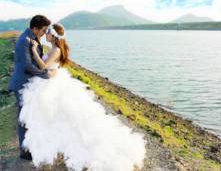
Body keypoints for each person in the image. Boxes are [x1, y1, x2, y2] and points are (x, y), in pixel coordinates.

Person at [17, 22, 147, 171]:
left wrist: (33, 50)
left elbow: (43, 66)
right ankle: (59, 145)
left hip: (51, 84)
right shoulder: (54, 48)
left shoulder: (56, 50)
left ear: (53, 36)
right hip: (50, 81)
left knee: (60, 116)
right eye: (45, 31)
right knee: (57, 118)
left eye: (48, 32)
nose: (45, 34)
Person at [8, 15, 54, 160]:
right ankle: (24, 151)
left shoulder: (32, 38)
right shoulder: (24, 40)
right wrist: (45, 74)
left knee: (30, 116)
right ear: (35, 28)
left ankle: (31, 144)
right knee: (24, 119)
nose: (44, 33)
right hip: (21, 84)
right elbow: (27, 65)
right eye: (44, 30)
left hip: (28, 83)